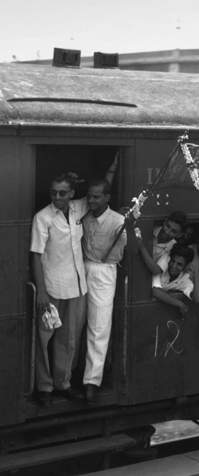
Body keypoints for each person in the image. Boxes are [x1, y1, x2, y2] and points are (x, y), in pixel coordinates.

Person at [30, 173, 89, 405]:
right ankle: (44, 388)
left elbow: (103, 187)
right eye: (53, 192)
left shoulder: (78, 208)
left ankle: (62, 384)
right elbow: (36, 255)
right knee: (44, 339)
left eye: (62, 193)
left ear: (72, 194)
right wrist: (41, 291)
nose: (57, 197)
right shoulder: (42, 218)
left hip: (77, 288)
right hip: (52, 288)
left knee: (69, 339)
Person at [80, 179, 127, 404]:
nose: (91, 200)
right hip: (81, 268)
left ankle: (92, 380)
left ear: (107, 197)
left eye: (96, 196)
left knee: (99, 326)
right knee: (76, 324)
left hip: (104, 272)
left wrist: (130, 223)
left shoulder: (119, 222)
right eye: (89, 196)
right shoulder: (85, 217)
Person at [152, 244, 199, 315]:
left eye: (179, 264)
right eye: (173, 261)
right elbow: (155, 291)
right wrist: (179, 304)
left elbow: (198, 299)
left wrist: (196, 273)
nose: (174, 266)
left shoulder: (185, 278)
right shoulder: (162, 268)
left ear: (186, 266)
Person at [136, 211, 187, 275]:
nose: (167, 232)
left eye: (173, 231)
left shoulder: (173, 248)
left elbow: (156, 270)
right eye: (168, 226)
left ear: (179, 234)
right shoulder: (151, 228)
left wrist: (141, 247)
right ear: (165, 222)